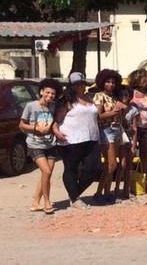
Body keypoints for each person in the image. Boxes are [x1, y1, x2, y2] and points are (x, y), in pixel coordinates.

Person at [52, 72, 102, 208]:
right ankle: (75, 199)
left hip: (91, 138)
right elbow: (56, 121)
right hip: (71, 140)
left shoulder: (90, 98)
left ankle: (74, 193)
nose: (80, 86)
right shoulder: (67, 101)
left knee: (94, 168)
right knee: (71, 168)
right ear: (72, 86)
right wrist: (57, 133)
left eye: (82, 83)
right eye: (77, 84)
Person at [20, 78, 60, 214]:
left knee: (46, 174)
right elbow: (22, 125)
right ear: (42, 91)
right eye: (47, 92)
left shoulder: (53, 106)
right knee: (46, 172)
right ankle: (47, 202)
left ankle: (35, 202)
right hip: (35, 144)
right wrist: (36, 129)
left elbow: (55, 121)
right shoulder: (31, 106)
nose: (50, 95)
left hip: (50, 143)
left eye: (53, 93)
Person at [91, 69, 124, 204]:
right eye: (108, 82)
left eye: (113, 82)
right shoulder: (99, 96)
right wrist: (114, 111)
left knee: (112, 165)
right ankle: (98, 193)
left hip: (116, 130)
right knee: (111, 164)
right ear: (102, 82)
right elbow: (99, 116)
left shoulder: (114, 97)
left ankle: (107, 193)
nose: (110, 85)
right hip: (106, 130)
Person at [128, 68, 147, 193]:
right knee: (130, 154)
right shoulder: (130, 93)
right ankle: (128, 184)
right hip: (133, 127)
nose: (144, 82)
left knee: (145, 155)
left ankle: (145, 183)